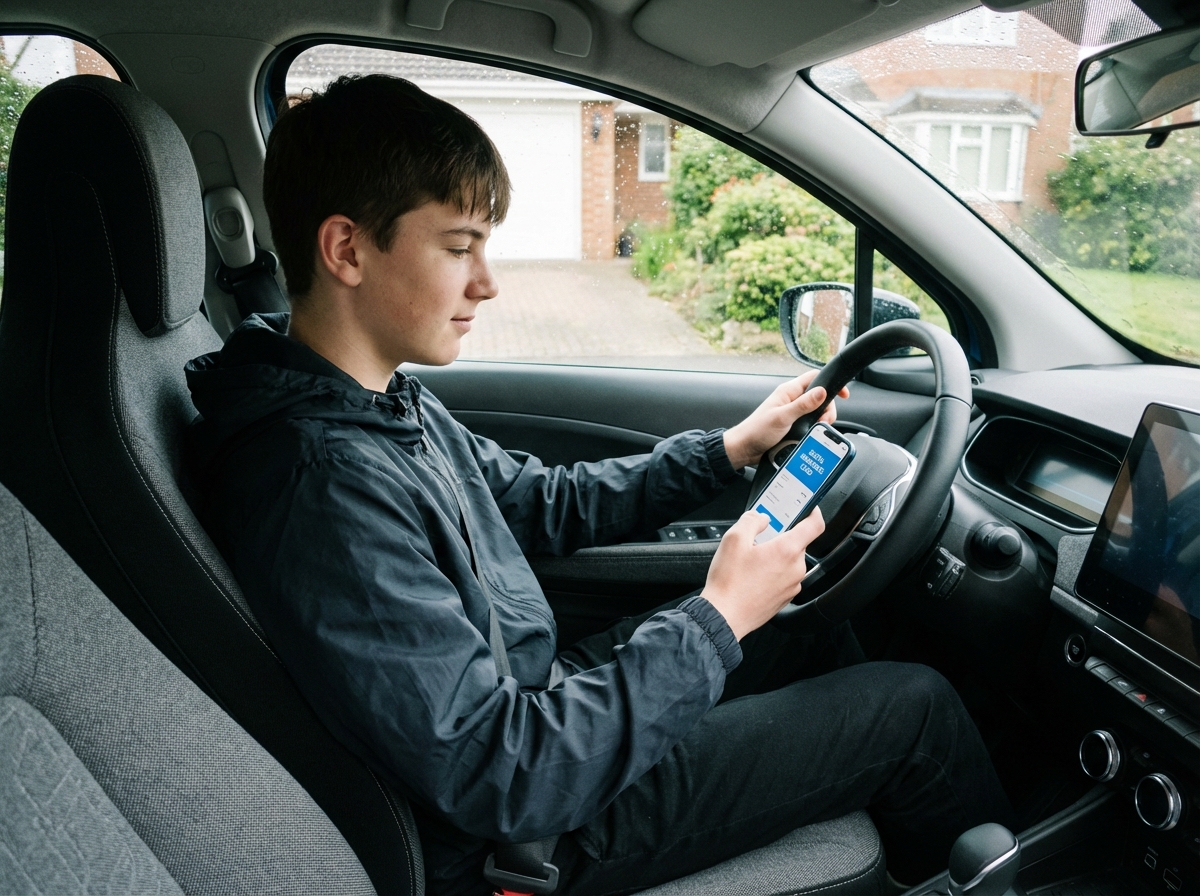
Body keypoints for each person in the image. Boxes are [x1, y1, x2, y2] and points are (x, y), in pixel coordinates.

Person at [184, 74, 1014, 896]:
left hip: (539, 708)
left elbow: (541, 502)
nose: (488, 282)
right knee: (914, 709)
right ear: (346, 250)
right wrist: (716, 616)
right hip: (528, 831)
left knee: (809, 628)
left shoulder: (376, 401)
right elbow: (501, 769)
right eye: (459, 246)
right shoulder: (320, 482)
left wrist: (725, 452)